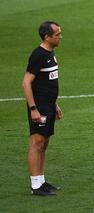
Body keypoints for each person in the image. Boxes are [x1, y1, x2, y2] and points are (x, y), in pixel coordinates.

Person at [22, 21, 63, 196]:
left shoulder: (50, 53)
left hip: (48, 105)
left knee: (44, 144)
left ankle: (41, 181)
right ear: (47, 37)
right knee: (36, 143)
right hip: (39, 107)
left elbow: (46, 83)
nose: (60, 37)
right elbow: (26, 83)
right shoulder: (38, 55)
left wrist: (55, 104)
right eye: (57, 34)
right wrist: (33, 108)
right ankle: (35, 186)